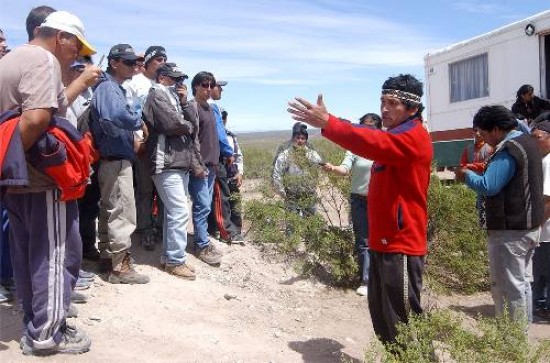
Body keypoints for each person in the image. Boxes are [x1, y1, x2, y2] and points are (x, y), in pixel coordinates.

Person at [288, 74, 432, 346]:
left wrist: (329, 122)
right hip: (383, 242)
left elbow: (369, 140)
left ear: (412, 109)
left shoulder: (412, 137)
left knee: (404, 323)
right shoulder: (395, 135)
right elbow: (371, 138)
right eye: (382, 101)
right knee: (384, 321)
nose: (385, 109)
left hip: (400, 245)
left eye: (393, 103)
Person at [0, 10, 96, 355]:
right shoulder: (43, 60)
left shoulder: (10, 61)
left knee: (27, 255)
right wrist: (8, 160)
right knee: (55, 255)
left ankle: (35, 321)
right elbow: (38, 117)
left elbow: (48, 106)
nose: (78, 53)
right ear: (62, 37)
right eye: (77, 45)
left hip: (18, 181)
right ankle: (47, 335)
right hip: (42, 179)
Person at [455, 105, 543, 326]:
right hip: (528, 226)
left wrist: (465, 175)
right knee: (522, 283)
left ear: (495, 129)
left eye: (484, 134)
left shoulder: (509, 148)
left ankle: (512, 342)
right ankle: (521, 338)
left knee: (508, 287)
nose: (483, 139)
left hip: (510, 230)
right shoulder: (528, 142)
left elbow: (489, 185)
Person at [90, 44, 150, 284]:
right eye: (128, 62)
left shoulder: (111, 87)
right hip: (115, 159)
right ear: (114, 63)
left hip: (112, 159)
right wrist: (138, 121)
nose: (134, 66)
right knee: (123, 213)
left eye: (135, 62)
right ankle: (120, 268)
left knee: (110, 210)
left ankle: (108, 257)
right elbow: (116, 115)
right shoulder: (108, 88)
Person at [143, 63, 203, 279]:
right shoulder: (156, 95)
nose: (180, 84)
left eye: (181, 80)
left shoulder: (175, 99)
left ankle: (170, 257)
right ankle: (175, 260)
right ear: (162, 78)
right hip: (165, 162)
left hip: (179, 162)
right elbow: (172, 124)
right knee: (179, 212)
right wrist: (186, 125)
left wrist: (186, 103)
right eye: (175, 79)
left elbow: (193, 123)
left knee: (173, 213)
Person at [322, 113, 382, 297]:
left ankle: (381, 280)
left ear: (379, 128)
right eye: (364, 125)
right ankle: (366, 280)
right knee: (363, 241)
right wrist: (333, 168)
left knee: (380, 240)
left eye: (371, 126)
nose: (367, 129)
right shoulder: (355, 149)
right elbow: (344, 168)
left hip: (380, 201)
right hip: (359, 200)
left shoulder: (383, 147)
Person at [125, 45, 168, 251]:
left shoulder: (163, 85)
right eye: (159, 59)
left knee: (162, 189)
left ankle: (160, 226)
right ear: (149, 61)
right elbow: (129, 111)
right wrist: (136, 139)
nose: (163, 62)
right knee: (144, 189)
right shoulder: (136, 83)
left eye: (165, 59)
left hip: (162, 145)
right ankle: (145, 229)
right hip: (144, 144)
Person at [187, 72, 225, 265]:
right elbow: (191, 141)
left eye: (211, 85)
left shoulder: (210, 108)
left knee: (205, 205)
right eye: (204, 85)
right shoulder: (192, 107)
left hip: (212, 166)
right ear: (195, 86)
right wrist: (197, 166)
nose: (208, 89)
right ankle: (201, 245)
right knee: (202, 206)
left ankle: (202, 241)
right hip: (200, 167)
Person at [207, 80, 243, 243]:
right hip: (214, 159)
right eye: (218, 86)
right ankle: (226, 232)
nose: (221, 89)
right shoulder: (211, 106)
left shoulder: (200, 105)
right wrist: (228, 153)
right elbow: (219, 134)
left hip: (208, 158)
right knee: (221, 196)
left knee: (209, 197)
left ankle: (210, 231)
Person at [272, 123, 323, 218]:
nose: (300, 141)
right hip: (291, 195)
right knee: (292, 224)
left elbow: (320, 167)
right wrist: (282, 192)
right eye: (297, 138)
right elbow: (277, 174)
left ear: (306, 140)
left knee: (310, 224)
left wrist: (318, 187)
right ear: (293, 138)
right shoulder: (284, 155)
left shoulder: (312, 154)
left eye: (303, 138)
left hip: (310, 195)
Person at [530, 120, 550, 320]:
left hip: (546, 232)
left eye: (538, 138)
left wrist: (537, 226)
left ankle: (543, 308)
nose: (535, 142)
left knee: (543, 274)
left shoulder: (548, 162)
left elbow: (547, 200)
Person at [222, 110, 244, 235]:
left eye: (224, 118)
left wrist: (240, 173)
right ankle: (223, 232)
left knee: (235, 207)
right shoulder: (210, 135)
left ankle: (237, 233)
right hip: (218, 178)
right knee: (221, 207)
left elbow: (239, 156)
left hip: (232, 177)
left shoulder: (231, 136)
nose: (223, 121)